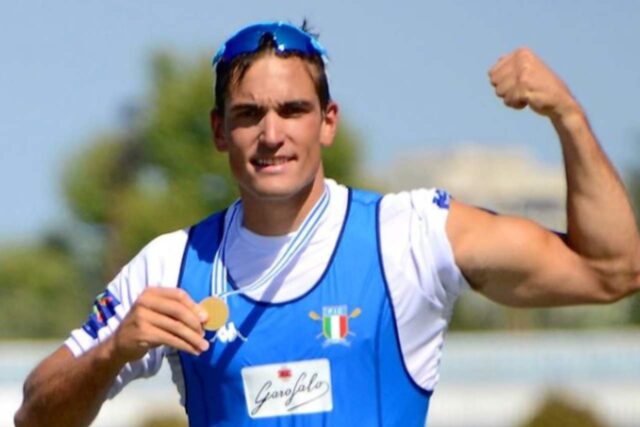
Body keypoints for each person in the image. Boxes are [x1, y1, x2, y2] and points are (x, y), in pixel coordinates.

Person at [15, 21, 640, 427]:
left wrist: (568, 116)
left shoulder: (408, 237)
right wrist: (112, 352)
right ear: (218, 130)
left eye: (293, 110)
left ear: (328, 121)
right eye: (248, 114)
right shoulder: (172, 265)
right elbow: (33, 416)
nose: (271, 134)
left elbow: (613, 271)